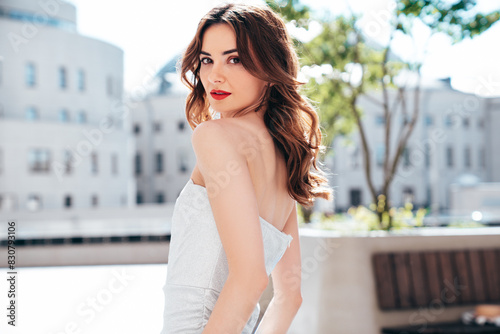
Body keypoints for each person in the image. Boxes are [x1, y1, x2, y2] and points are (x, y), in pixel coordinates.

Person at [160, 3, 333, 334]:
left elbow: (251, 277)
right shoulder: (286, 161)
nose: (214, 75)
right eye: (207, 59)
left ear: (269, 68)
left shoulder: (214, 135)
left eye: (234, 59)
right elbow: (289, 297)